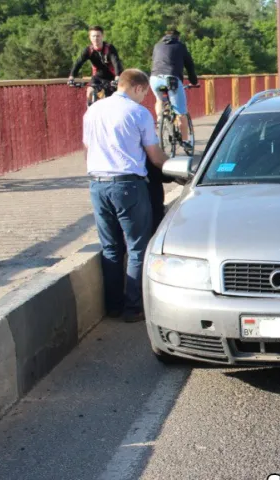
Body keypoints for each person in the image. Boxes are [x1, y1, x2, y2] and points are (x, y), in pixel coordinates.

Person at [83, 69, 169, 323]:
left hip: (97, 184)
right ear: (139, 88)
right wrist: (176, 167)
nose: (144, 98)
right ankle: (133, 308)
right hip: (128, 185)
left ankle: (113, 306)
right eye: (145, 93)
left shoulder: (94, 110)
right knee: (137, 247)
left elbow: (87, 150)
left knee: (110, 248)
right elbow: (155, 156)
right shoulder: (139, 113)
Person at [150, 29, 198, 146]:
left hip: (155, 78)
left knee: (160, 99)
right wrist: (194, 81)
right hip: (171, 79)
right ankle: (186, 141)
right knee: (181, 112)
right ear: (178, 37)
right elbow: (189, 65)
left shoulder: (157, 45)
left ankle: (161, 120)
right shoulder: (180, 46)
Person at [68, 26, 124, 106]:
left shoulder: (109, 48)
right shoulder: (88, 50)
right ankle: (90, 111)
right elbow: (78, 62)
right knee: (90, 91)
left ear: (102, 36)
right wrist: (71, 76)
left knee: (110, 101)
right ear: (90, 37)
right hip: (98, 77)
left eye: (98, 36)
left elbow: (116, 62)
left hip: (112, 78)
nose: (96, 38)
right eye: (93, 36)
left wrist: (118, 76)